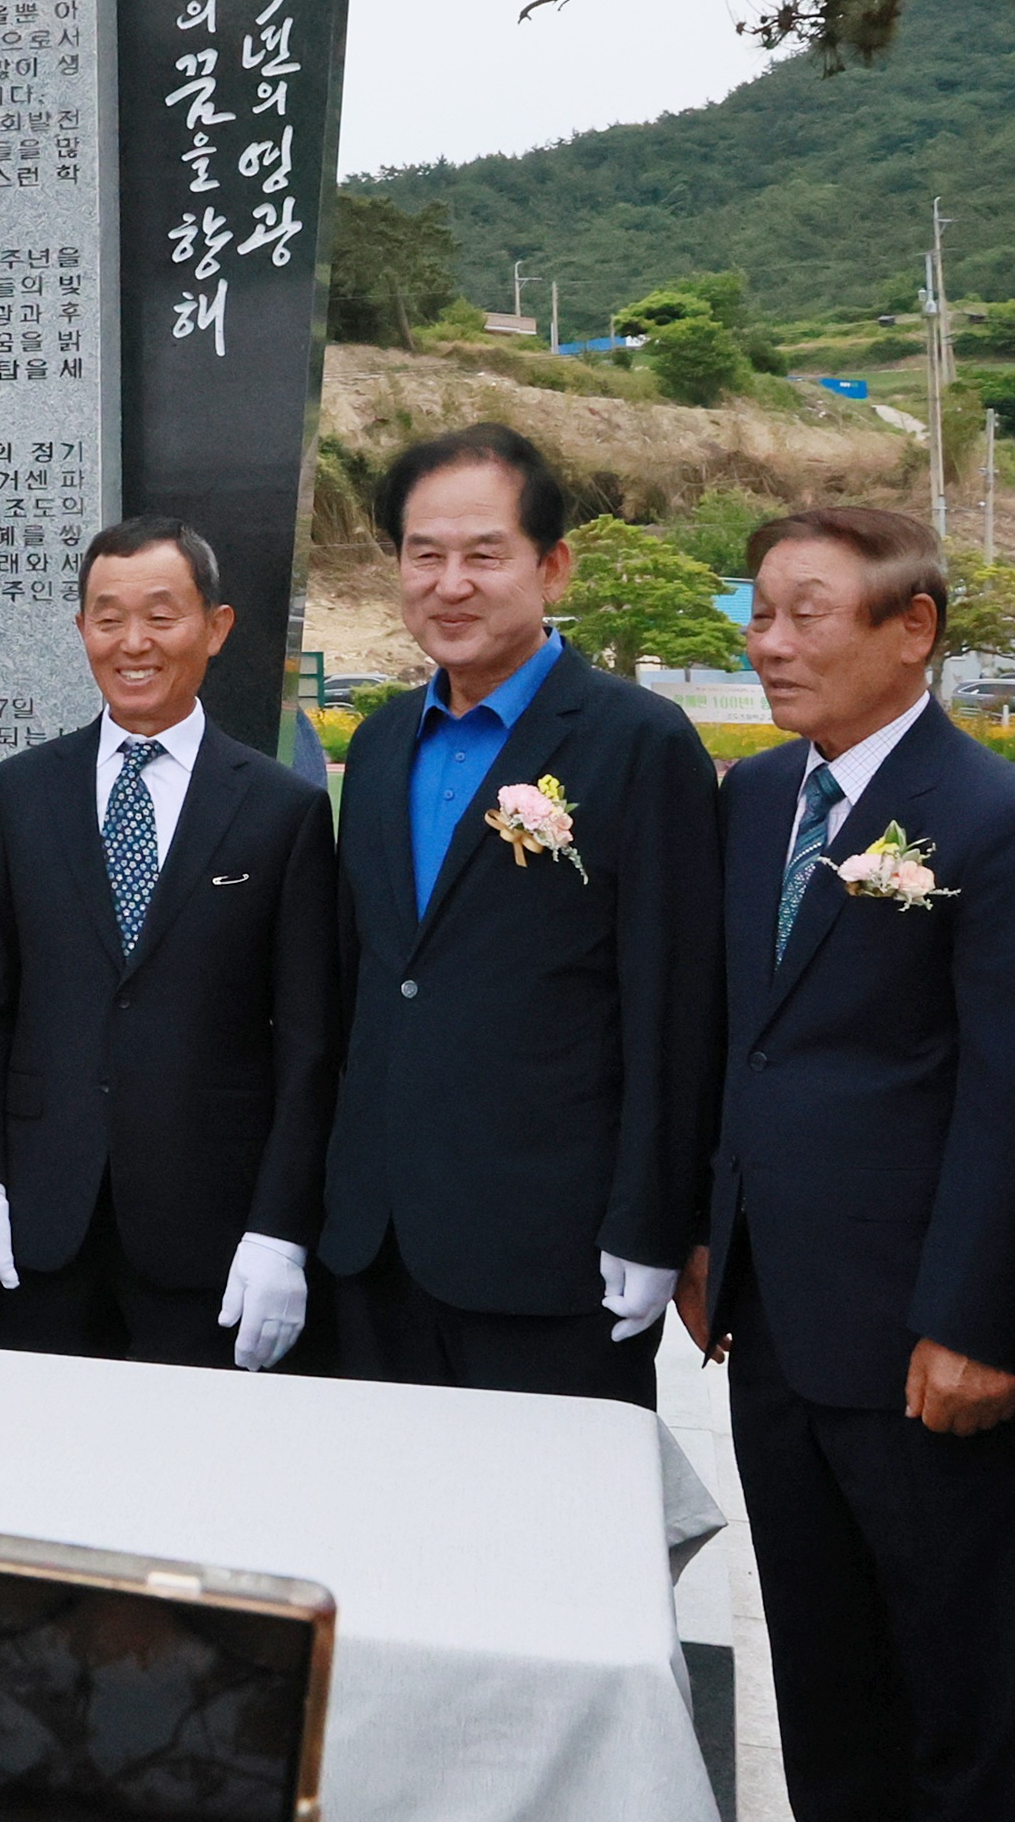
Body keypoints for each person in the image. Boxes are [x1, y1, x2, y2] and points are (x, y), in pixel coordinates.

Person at [694, 505, 1015, 1822]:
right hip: (778, 1323)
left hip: (930, 1343)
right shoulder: (757, 799)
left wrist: (977, 1320)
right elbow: (743, 1043)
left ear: (910, 629)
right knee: (824, 1676)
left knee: (957, 1691)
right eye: (760, 613)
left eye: (807, 612)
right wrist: (713, 1235)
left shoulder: (997, 823)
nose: (771, 642)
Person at [319, 424, 723, 1404]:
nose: (450, 582)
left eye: (483, 554)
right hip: (374, 1251)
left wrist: (651, 1222)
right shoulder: (377, 746)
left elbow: (674, 1001)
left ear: (553, 566)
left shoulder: (638, 741)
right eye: (425, 554)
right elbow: (373, 983)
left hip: (553, 1252)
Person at [0, 518, 340, 1370]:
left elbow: (309, 1046)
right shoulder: (18, 794)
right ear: (82, 628)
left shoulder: (281, 810)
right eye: (107, 616)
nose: (133, 643)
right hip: (36, 1226)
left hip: (211, 1233)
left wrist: (280, 1231)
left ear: (216, 627)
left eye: (161, 615)